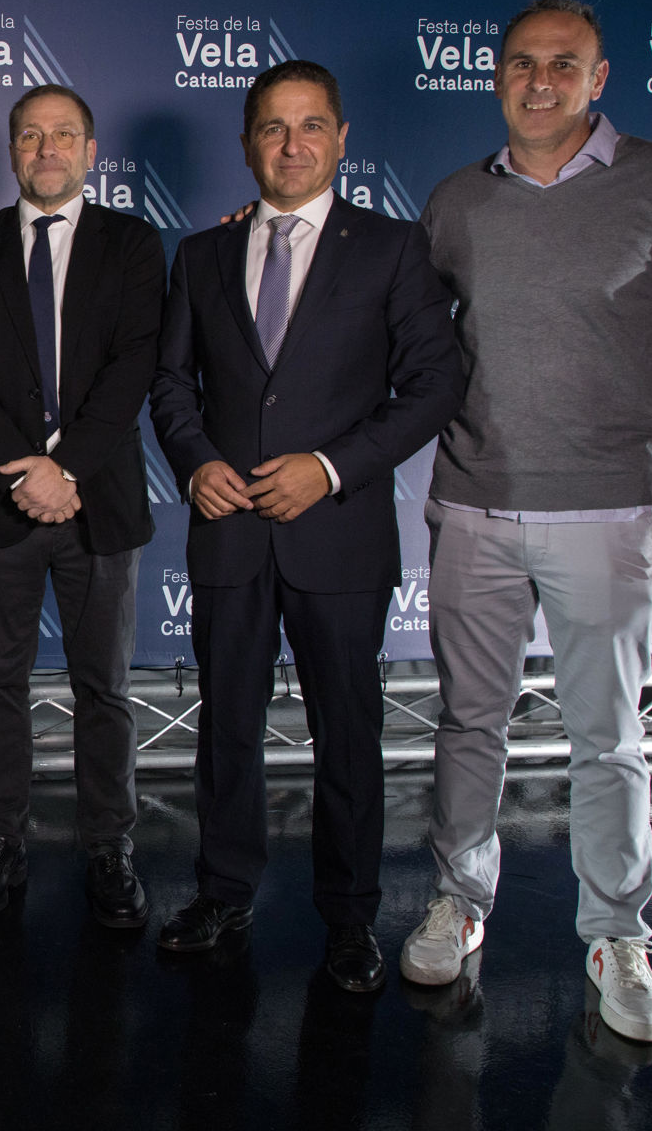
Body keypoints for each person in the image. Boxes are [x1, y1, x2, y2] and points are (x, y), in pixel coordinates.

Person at [401, 0, 652, 1044]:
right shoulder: (458, 200)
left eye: (564, 65)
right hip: (474, 504)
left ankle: (618, 933)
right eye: (519, 63)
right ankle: (461, 901)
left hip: (611, 510)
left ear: (600, 79)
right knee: (470, 722)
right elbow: (395, 326)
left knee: (609, 736)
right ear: (496, 76)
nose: (539, 80)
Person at [147, 61, 463, 990]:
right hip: (231, 533)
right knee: (227, 734)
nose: (292, 145)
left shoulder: (394, 249)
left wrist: (328, 470)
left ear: (340, 137)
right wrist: (198, 460)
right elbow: (172, 383)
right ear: (247, 142)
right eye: (273, 129)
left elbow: (435, 385)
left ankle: (351, 918)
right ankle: (225, 891)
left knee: (348, 734)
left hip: (341, 535)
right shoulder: (203, 254)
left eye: (311, 126)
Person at [0, 84, 165, 924]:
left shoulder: (136, 246)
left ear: (90, 151)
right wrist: (24, 472)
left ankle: (110, 844)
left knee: (104, 685)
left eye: (65, 134)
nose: (48, 149)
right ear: (12, 150)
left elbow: (134, 367)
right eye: (32, 136)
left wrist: (67, 469)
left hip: (99, 505)